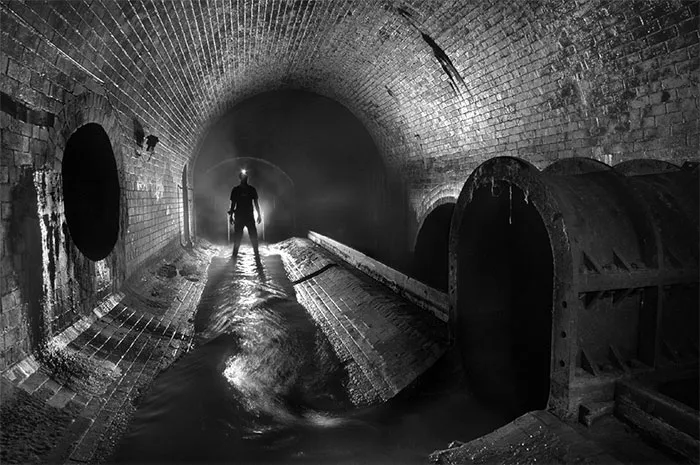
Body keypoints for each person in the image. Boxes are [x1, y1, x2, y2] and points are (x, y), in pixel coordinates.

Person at [228, 169, 262, 261]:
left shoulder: (244, 190)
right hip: (244, 216)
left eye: (245, 177)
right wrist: (231, 216)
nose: (244, 179)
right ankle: (236, 255)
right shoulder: (244, 189)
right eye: (243, 177)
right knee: (240, 236)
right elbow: (233, 204)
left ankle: (255, 254)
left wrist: (259, 214)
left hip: (245, 216)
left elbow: (256, 203)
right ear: (241, 178)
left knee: (251, 235)